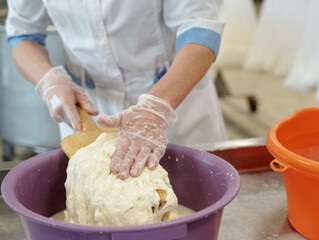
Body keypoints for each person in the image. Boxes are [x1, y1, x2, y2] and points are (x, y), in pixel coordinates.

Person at [6, 1, 227, 179]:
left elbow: (201, 29)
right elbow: (23, 34)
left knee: (191, 205)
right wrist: (49, 80)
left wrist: (155, 109)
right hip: (90, 110)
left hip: (173, 98)